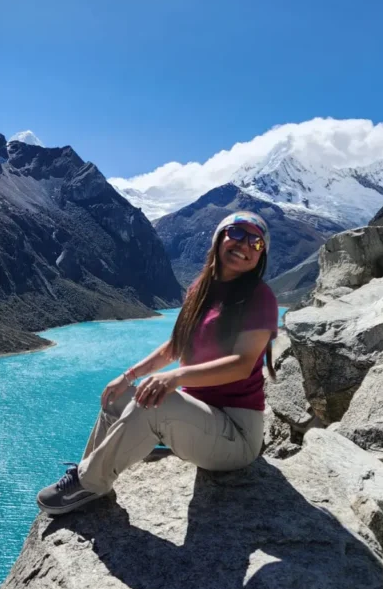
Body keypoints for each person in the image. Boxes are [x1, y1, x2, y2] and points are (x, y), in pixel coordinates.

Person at [37, 211, 278, 515]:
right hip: (200, 417)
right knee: (117, 398)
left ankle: (90, 482)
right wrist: (128, 376)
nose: (245, 245)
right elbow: (176, 345)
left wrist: (175, 377)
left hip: (236, 434)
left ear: (261, 255)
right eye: (237, 233)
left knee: (154, 404)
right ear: (220, 237)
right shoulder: (201, 288)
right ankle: (90, 473)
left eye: (256, 242)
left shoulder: (260, 298)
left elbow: (242, 364)